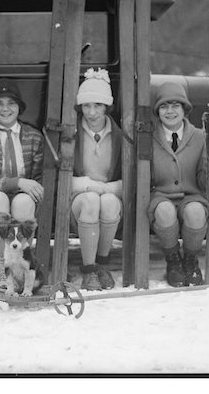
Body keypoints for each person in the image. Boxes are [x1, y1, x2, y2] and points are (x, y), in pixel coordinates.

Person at [147, 81, 209, 287]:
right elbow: (148, 179)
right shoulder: (149, 138)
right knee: (164, 211)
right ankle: (173, 260)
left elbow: (204, 181)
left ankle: (190, 259)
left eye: (175, 106)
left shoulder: (200, 136)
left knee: (196, 212)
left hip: (191, 196)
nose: (170, 111)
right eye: (164, 106)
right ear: (157, 111)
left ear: (185, 109)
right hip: (161, 196)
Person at [0, 78, 44, 291]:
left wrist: (29, 187)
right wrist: (17, 182)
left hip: (24, 201)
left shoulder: (34, 136)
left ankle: (20, 271)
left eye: (11, 103)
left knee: (24, 200)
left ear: (19, 107)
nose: (5, 109)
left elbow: (40, 181)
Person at [71, 68, 123, 291]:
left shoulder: (120, 136)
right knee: (91, 200)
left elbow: (128, 180)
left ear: (107, 106)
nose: (91, 112)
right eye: (86, 105)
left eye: (98, 105)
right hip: (79, 200)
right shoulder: (71, 133)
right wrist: (91, 186)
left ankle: (101, 263)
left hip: (109, 196)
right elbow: (62, 179)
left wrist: (108, 189)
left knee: (109, 203)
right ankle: (88, 269)